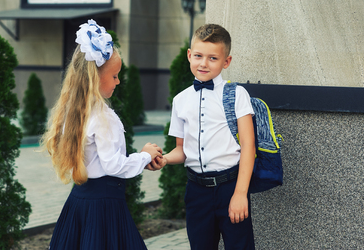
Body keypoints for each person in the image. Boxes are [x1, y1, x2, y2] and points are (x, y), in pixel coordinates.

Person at [41, 19, 163, 249]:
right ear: (95, 77)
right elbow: (113, 166)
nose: (118, 81)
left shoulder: (72, 112)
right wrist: (145, 155)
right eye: (114, 76)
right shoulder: (103, 117)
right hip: (103, 209)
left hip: (80, 203)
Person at [147, 24, 256, 249]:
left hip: (230, 187)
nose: (203, 63)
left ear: (226, 61)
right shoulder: (180, 100)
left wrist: (240, 194)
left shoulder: (237, 94)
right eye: (198, 56)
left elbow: (248, 146)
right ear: (189, 55)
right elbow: (182, 150)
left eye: (213, 58)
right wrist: (165, 159)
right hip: (196, 192)